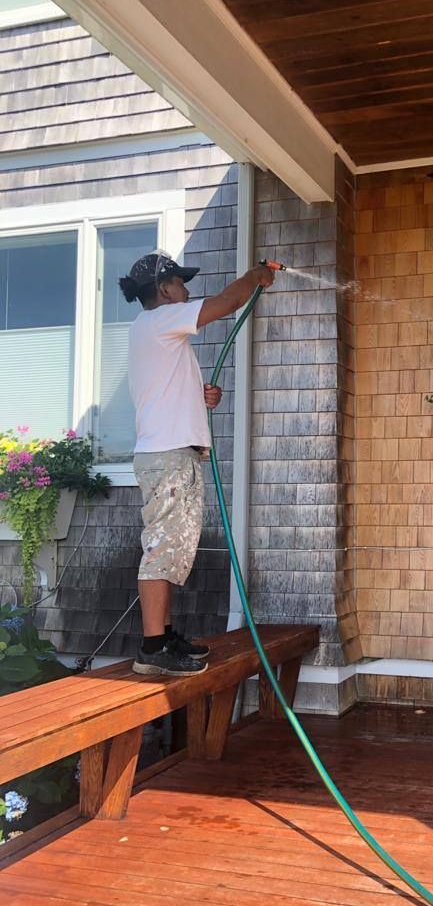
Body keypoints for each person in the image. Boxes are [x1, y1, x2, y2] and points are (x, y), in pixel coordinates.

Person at [119, 251, 274, 675]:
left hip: (171, 453)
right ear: (164, 289)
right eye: (181, 283)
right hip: (168, 457)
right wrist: (255, 276)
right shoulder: (159, 321)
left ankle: (164, 637)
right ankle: (152, 648)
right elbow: (225, 303)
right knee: (161, 548)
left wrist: (202, 396)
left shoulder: (154, 333)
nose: (186, 290)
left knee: (171, 546)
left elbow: (165, 391)